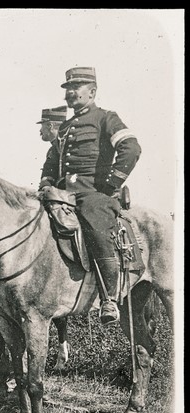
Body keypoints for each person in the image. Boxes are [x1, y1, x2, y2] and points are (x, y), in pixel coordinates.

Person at [38, 67, 141, 328]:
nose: (70, 93)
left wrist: (112, 183)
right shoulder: (66, 126)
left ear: (92, 91)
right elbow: (52, 162)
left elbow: (131, 148)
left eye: (76, 87)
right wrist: (47, 183)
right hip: (64, 195)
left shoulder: (106, 118)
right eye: (68, 89)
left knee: (95, 223)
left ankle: (109, 297)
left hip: (94, 194)